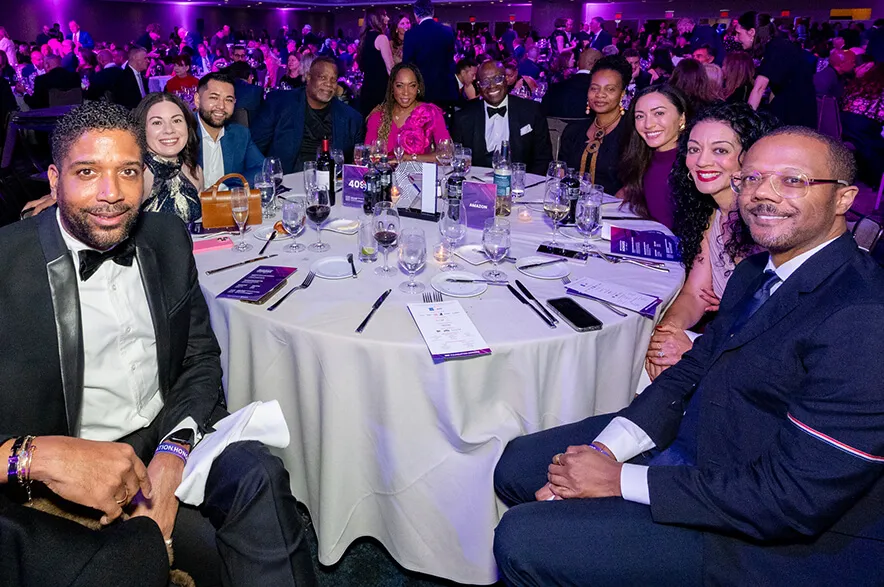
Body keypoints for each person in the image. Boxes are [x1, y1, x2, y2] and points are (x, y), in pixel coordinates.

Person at [493, 125, 883, 587]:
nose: (764, 194)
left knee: (522, 539)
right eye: (752, 178)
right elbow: (690, 374)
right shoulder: (759, 270)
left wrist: (618, 481)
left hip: (776, 538)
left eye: (792, 180)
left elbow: (792, 500)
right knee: (518, 462)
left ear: (843, 199)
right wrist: (604, 450)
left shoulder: (864, 317)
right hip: (707, 447)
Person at [0, 101, 318, 587]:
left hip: (167, 430)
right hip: (63, 475)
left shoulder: (166, 237)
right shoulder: (7, 264)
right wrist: (39, 457)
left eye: (127, 171)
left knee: (260, 475)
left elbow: (199, 359)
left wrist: (172, 454)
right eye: (87, 172)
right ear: (52, 179)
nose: (111, 194)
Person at [645, 102, 777, 380]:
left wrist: (694, 347)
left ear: (750, 158)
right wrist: (666, 332)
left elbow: (772, 333)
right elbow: (694, 295)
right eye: (694, 149)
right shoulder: (714, 217)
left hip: (752, 370)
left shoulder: (767, 228)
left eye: (720, 150)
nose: (702, 161)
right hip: (722, 346)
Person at [251, 56, 364, 174]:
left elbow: (356, 167)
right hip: (286, 184)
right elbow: (253, 151)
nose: (328, 84)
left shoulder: (351, 118)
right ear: (308, 77)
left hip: (332, 185)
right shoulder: (279, 105)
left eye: (333, 80)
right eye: (323, 77)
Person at [451, 60, 552, 175]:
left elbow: (543, 158)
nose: (492, 86)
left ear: (506, 80)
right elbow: (457, 158)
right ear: (478, 86)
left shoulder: (531, 111)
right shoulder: (463, 116)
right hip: (476, 184)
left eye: (497, 79)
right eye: (485, 82)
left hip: (520, 185)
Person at [616, 85, 689, 230]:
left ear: (682, 118)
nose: (648, 124)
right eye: (640, 116)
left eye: (659, 113)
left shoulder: (691, 164)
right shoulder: (644, 158)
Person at [560, 56, 632, 195]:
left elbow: (639, 181)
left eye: (610, 89)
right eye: (594, 88)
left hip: (616, 211)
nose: (600, 95)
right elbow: (561, 173)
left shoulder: (632, 132)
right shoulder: (573, 131)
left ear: (622, 93)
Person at [736, 11, 816, 128]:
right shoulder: (777, 44)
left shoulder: (776, 49)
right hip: (795, 106)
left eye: (738, 33)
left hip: (796, 112)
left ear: (751, 32)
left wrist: (745, 123)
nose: (736, 38)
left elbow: (759, 88)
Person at [132, 93, 203, 222]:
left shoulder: (194, 171)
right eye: (157, 122)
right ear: (142, 130)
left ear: (187, 126)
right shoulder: (138, 176)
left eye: (176, 120)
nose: (169, 130)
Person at [365, 62, 450, 162]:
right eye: (399, 86)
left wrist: (409, 158)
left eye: (412, 86)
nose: (406, 92)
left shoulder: (430, 113)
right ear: (392, 88)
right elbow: (367, 156)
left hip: (420, 176)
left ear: (418, 87)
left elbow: (446, 154)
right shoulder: (378, 116)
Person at [194, 72, 264, 188]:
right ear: (197, 99)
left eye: (229, 100)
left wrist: (224, 188)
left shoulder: (240, 134)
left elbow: (261, 169)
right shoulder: (182, 134)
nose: (221, 106)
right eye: (214, 97)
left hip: (227, 203)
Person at [403, 0, 458, 110]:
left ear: (415, 15)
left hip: (422, 91)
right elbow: (450, 60)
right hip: (444, 89)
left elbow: (407, 65)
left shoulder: (411, 34)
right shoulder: (447, 31)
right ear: (432, 12)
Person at [840, 62, 884, 186]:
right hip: (861, 131)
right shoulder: (881, 91)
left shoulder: (857, 85)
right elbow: (881, 115)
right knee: (878, 146)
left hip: (843, 127)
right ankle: (876, 182)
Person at [357, 7, 395, 119]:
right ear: (377, 19)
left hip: (367, 89)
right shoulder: (381, 38)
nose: (388, 18)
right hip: (380, 90)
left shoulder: (364, 38)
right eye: (385, 15)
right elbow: (391, 68)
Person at [543, 47, 600, 119]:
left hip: (554, 129)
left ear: (578, 63)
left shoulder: (554, 89)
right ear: (598, 65)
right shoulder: (600, 93)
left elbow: (542, 115)